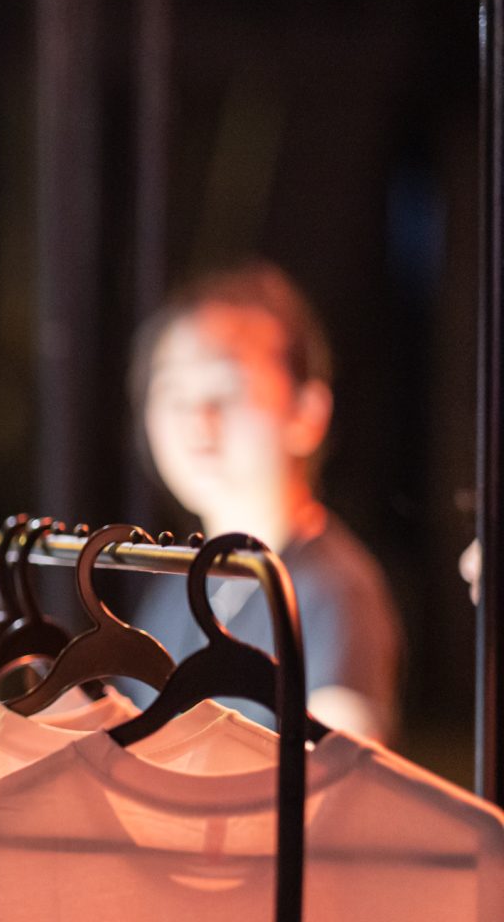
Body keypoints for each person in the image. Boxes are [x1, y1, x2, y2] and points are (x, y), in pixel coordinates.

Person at [131, 261, 402, 739]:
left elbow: (336, 769)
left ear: (307, 412)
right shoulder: (178, 582)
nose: (197, 420)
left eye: (228, 387)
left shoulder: (333, 591)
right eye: (173, 394)